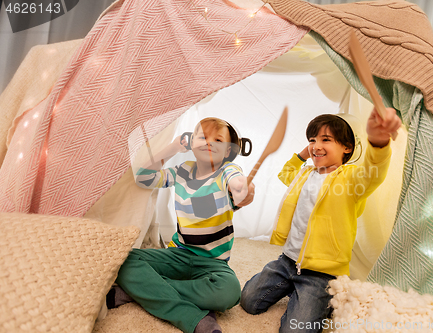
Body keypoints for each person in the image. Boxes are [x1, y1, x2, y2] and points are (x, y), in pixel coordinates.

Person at [240, 108, 401, 333]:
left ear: (347, 147)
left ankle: (323, 299)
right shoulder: (305, 174)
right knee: (248, 301)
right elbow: (286, 173)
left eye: (326, 139)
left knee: (295, 330)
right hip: (287, 261)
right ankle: (291, 286)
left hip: (321, 273)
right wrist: (303, 154)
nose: (316, 145)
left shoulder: (350, 180)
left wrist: (378, 142)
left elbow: (373, 171)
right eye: (312, 140)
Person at [108, 117, 255, 333]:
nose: (209, 142)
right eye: (202, 137)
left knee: (229, 292)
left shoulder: (227, 171)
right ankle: (194, 317)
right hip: (178, 254)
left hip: (213, 263)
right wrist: (173, 147)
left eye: (217, 139)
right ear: (191, 142)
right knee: (123, 259)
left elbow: (238, 185)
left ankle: (138, 291)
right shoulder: (182, 171)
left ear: (227, 152)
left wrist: (243, 190)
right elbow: (142, 177)